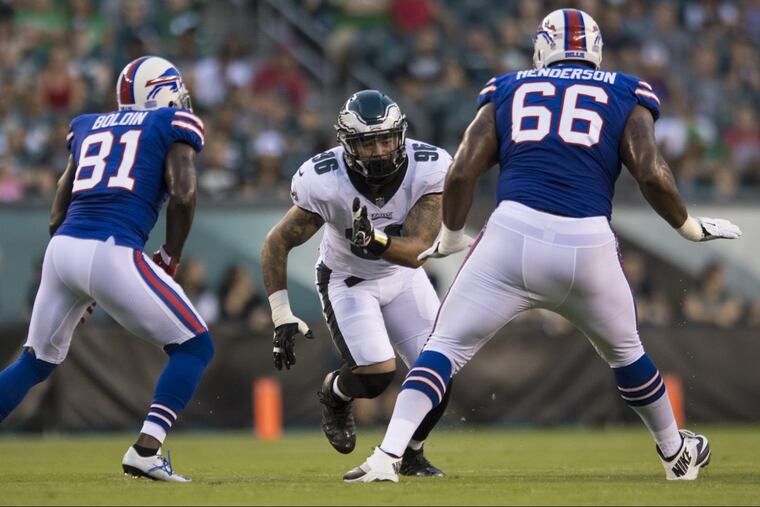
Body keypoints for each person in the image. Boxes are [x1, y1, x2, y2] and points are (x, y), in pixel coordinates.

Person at [345, 8, 742, 483]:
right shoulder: (625, 89)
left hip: (512, 235)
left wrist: (450, 236)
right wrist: (689, 228)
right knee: (627, 353)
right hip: (587, 244)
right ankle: (675, 452)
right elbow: (651, 172)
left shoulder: (509, 86)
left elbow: (464, 169)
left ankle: (387, 457)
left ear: (541, 47)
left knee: (443, 348)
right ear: (594, 49)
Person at [0, 56, 213, 482]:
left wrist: (79, 280)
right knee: (195, 347)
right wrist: (169, 255)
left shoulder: (88, 125)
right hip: (111, 248)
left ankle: (146, 451)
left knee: (34, 362)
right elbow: (184, 195)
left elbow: (58, 206)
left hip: (63, 249)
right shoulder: (171, 124)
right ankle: (147, 450)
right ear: (162, 92)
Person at [261, 90, 452, 477]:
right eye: (367, 142)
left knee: (439, 371)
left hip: (404, 275)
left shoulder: (428, 166)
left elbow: (416, 251)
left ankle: (412, 453)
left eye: (385, 139)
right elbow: (277, 242)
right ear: (348, 144)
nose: (380, 151)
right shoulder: (325, 180)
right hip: (349, 280)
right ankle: (336, 394)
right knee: (378, 374)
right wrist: (281, 313)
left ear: (400, 135)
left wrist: (377, 241)